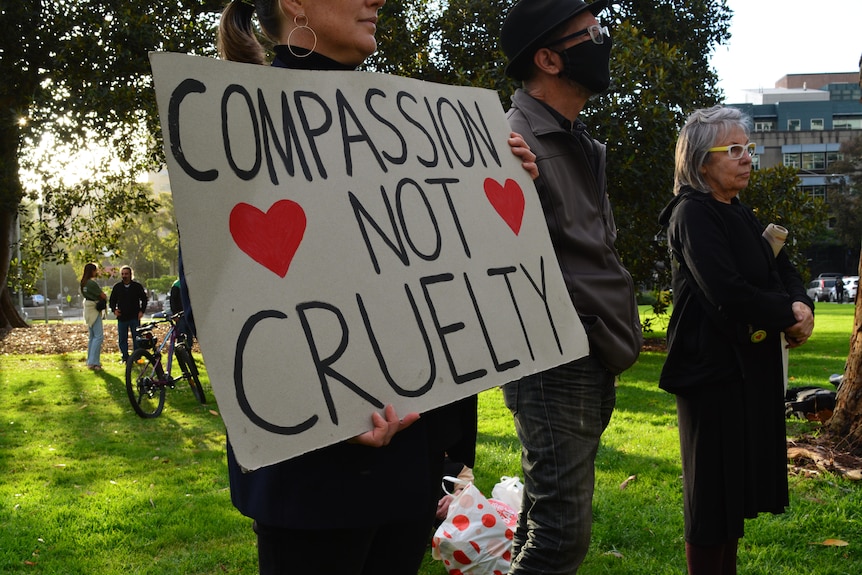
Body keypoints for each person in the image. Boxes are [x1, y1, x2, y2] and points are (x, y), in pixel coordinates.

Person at [217, 1, 536, 574]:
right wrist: (323, 410)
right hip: (314, 474)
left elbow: (434, 264)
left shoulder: (403, 122)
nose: (379, 0)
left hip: (414, 462)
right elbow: (224, 301)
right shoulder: (241, 119)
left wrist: (500, 186)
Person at [498, 1, 643, 572]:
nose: (604, 42)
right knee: (560, 537)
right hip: (554, 351)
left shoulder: (576, 139)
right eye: (592, 34)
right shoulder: (512, 141)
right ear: (549, 58)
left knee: (540, 518)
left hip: (594, 344)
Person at [657, 105, 814, 575]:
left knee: (732, 496)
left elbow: (780, 268)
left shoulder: (737, 211)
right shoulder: (692, 213)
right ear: (703, 162)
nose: (748, 158)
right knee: (710, 501)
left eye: (748, 148)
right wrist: (787, 313)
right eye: (735, 150)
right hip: (712, 371)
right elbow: (726, 289)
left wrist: (801, 304)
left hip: (746, 370)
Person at [108, 265, 148, 363]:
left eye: (126, 274)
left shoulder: (137, 287)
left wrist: (142, 311)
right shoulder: (117, 287)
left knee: (136, 338)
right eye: (122, 274)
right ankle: (125, 357)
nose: (124, 276)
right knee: (122, 338)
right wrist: (114, 310)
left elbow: (144, 299)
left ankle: (137, 357)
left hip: (134, 316)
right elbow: (112, 300)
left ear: (131, 275)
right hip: (122, 317)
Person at [80, 263, 107, 370]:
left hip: (88, 308)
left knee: (92, 337)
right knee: (98, 336)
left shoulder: (83, 283)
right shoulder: (91, 283)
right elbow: (102, 295)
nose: (96, 272)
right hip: (94, 309)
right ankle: (94, 362)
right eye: (95, 270)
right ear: (92, 271)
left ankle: (90, 361)